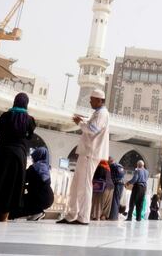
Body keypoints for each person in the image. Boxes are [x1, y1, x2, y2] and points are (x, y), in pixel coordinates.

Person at [58, 89, 110, 225]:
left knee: (85, 185)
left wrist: (79, 123)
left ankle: (83, 217)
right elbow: (92, 124)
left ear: (100, 100)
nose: (90, 101)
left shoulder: (102, 114)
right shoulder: (98, 113)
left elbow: (93, 129)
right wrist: (84, 120)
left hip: (90, 153)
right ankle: (72, 214)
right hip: (87, 153)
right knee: (77, 185)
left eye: (92, 99)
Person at [0, 93, 36, 222]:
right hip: (18, 156)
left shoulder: (6, 116)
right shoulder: (29, 120)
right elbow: (29, 137)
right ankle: (4, 216)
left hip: (2, 153)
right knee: (12, 185)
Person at [9, 146, 53, 221]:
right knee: (26, 203)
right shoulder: (46, 168)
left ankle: (37, 211)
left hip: (38, 199)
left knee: (18, 205)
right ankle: (38, 212)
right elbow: (39, 184)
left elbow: (23, 179)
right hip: (48, 198)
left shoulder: (34, 168)